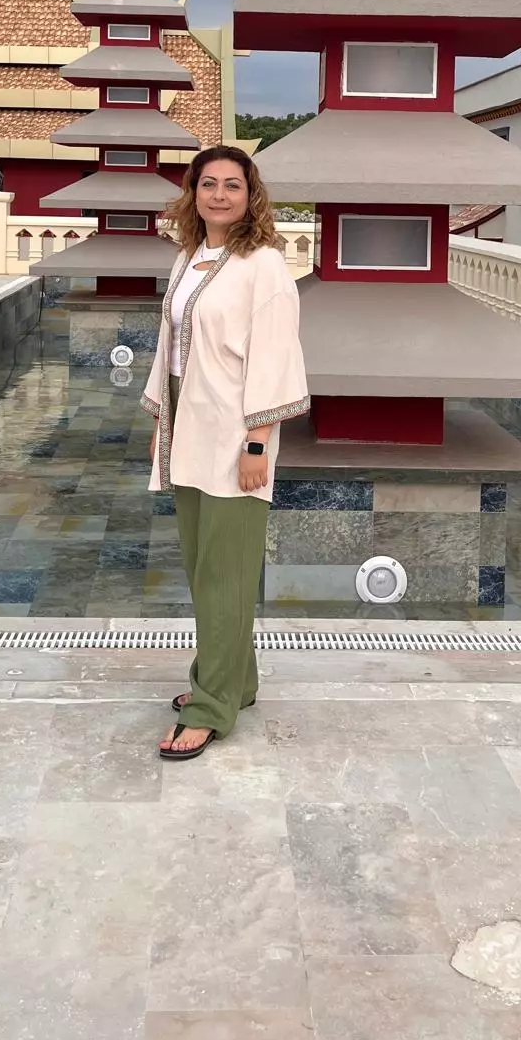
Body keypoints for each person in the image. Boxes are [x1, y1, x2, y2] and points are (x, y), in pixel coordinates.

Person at [141, 145, 309, 761]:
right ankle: (237, 682)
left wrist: (258, 441)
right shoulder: (188, 256)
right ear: (193, 193)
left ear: (250, 194)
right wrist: (163, 419)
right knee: (204, 566)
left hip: (238, 432)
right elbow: (172, 344)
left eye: (232, 185)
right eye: (207, 183)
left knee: (224, 574)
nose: (219, 194)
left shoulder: (264, 265)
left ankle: (211, 705)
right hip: (190, 424)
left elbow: (275, 356)